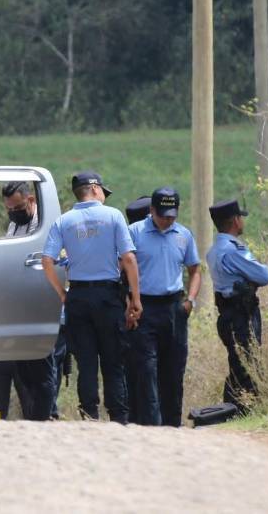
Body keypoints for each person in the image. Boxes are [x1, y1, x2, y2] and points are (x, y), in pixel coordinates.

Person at [41, 171, 141, 423]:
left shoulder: (63, 221)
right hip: (108, 296)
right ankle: (118, 417)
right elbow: (128, 258)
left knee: (86, 362)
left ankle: (89, 415)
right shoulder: (113, 216)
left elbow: (46, 261)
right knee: (113, 360)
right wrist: (135, 299)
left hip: (78, 297)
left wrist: (63, 293)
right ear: (95, 189)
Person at [128, 187, 201, 426]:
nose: (168, 219)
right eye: (163, 214)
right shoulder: (134, 233)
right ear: (151, 210)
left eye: (172, 214)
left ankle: (172, 424)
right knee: (147, 368)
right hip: (144, 307)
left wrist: (190, 300)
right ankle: (152, 424)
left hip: (174, 308)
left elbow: (195, 270)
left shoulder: (184, 235)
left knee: (174, 368)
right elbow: (122, 269)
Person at [0, 181, 57, 421]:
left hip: (37, 310)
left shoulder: (45, 227)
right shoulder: (14, 226)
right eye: (9, 209)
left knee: (37, 378)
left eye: (17, 207)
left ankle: (41, 421)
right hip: (11, 312)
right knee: (0, 377)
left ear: (32, 200)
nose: (13, 212)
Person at [206, 199, 268, 413]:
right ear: (235, 220)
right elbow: (264, 275)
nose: (242, 221)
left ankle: (235, 409)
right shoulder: (233, 251)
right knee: (247, 364)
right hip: (241, 315)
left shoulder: (215, 249)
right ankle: (242, 410)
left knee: (238, 363)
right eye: (240, 217)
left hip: (227, 314)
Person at [123, 195, 151, 424]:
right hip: (139, 310)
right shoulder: (137, 246)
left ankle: (136, 416)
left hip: (131, 311)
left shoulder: (126, 244)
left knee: (135, 368)